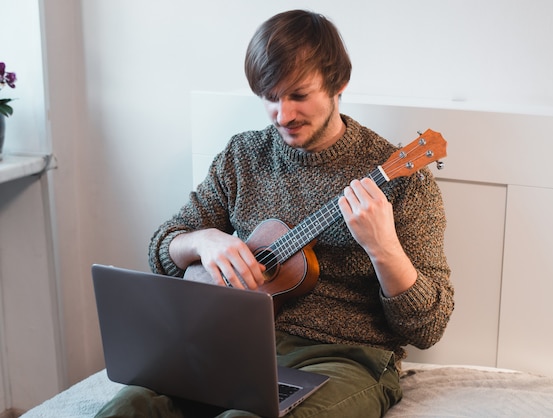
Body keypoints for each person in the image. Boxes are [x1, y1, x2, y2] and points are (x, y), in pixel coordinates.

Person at [96, 9, 454, 418]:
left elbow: (429, 328)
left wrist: (384, 248)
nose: (283, 115)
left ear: (339, 84)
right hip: (234, 342)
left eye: (299, 95)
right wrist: (204, 240)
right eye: (270, 97)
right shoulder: (242, 155)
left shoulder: (403, 181)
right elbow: (162, 249)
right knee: (128, 407)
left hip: (344, 358)